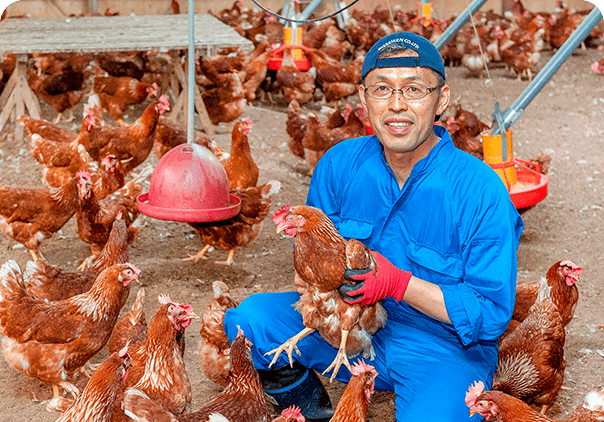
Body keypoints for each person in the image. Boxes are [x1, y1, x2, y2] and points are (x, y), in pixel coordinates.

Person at [223, 31, 523, 421]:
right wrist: (313, 282)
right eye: (382, 89)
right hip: (345, 328)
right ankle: (308, 404)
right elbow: (308, 262)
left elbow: (491, 312)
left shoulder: (480, 190)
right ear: (363, 99)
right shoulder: (339, 164)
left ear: (441, 100)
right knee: (251, 322)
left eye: (414, 89)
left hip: (441, 346)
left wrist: (398, 283)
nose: (397, 105)